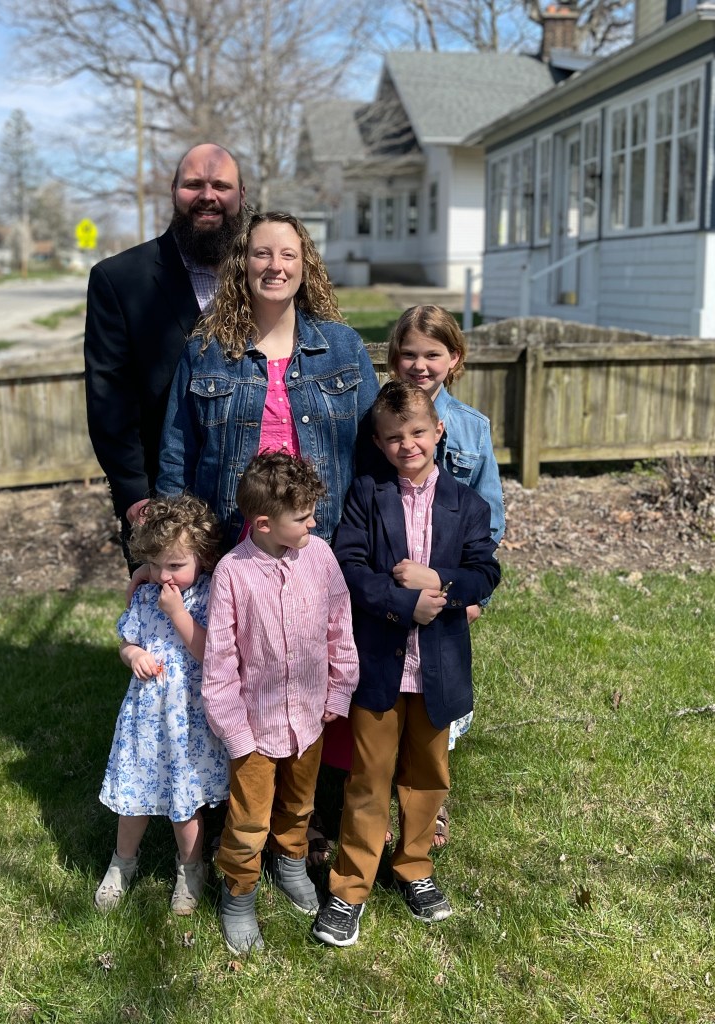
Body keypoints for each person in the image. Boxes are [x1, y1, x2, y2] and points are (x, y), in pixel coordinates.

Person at [311, 381, 501, 948]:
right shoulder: (367, 496)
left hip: (439, 666)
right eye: (394, 437)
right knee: (368, 778)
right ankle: (349, 887)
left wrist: (438, 580)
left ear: (438, 431)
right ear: (378, 441)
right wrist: (403, 602)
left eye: (418, 432)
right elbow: (349, 567)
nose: (407, 445)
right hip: (379, 665)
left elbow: (485, 573)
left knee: (426, 776)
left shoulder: (468, 505)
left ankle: (414, 867)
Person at [201, 452, 360, 953]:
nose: (313, 523)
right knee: (249, 818)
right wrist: (235, 731)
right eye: (304, 517)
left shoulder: (321, 557)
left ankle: (290, 864)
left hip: (309, 720)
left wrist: (338, 689)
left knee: (299, 804)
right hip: (253, 729)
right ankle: (239, 893)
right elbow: (220, 660)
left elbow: (340, 626)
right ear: (264, 523)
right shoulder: (232, 573)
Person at [156, 211, 379, 547]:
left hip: (328, 548)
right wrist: (170, 548)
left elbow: (374, 454)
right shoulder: (206, 352)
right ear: (243, 264)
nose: (276, 266)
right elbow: (177, 460)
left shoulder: (343, 347)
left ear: (305, 266)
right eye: (262, 253)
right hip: (230, 550)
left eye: (288, 254)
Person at [84, 143, 246, 563]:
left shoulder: (268, 272)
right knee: (168, 607)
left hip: (259, 504)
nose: (207, 195)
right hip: (165, 506)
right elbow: (108, 398)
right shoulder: (120, 281)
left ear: (241, 195)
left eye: (221, 185)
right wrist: (136, 498)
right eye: (193, 184)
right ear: (174, 192)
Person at [388, 303, 506, 845]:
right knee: (384, 694)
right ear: (393, 358)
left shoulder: (472, 430)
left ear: (454, 358)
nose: (420, 365)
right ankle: (372, 794)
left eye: (432, 354)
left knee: (436, 694)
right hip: (388, 584)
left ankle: (428, 803)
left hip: (444, 586)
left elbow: (490, 519)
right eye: (408, 354)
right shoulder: (378, 420)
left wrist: (465, 593)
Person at [94, 494, 228, 916]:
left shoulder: (210, 595)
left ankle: (190, 869)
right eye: (155, 564)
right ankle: (122, 862)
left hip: (188, 722)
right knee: (134, 797)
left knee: (184, 803)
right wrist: (133, 654)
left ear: (203, 557)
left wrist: (177, 613)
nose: (163, 575)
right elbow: (127, 640)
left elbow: (209, 652)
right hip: (146, 719)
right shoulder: (145, 595)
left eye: (175, 565)